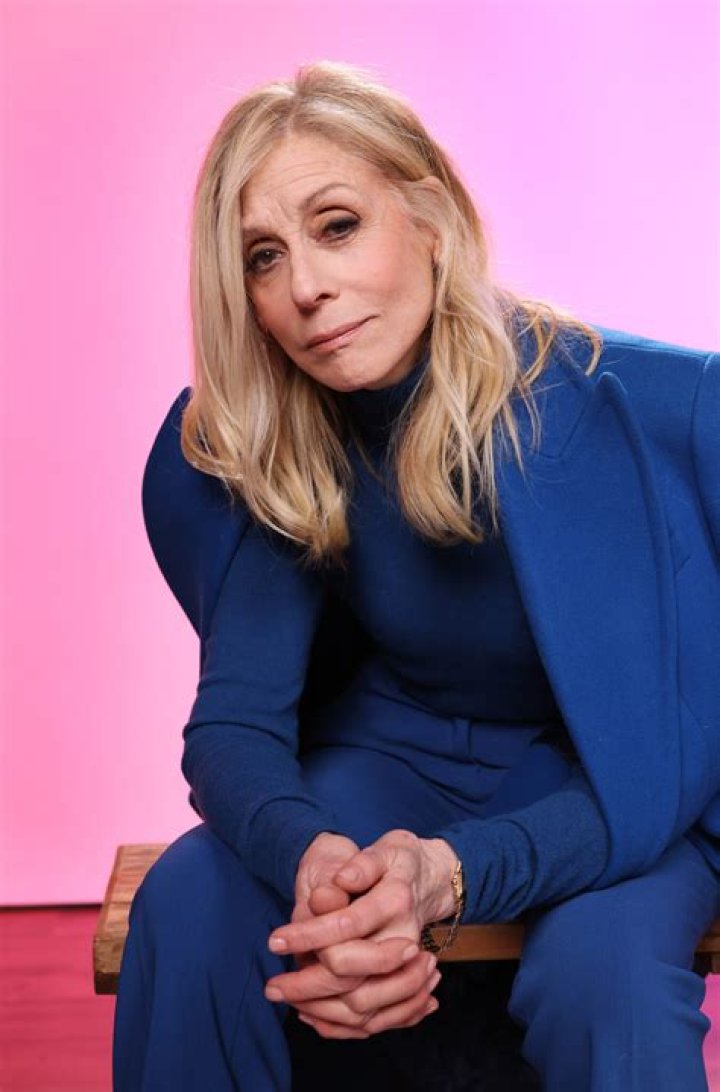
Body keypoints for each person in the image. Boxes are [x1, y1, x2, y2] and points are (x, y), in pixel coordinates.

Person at [113, 59, 720, 1091]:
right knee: (190, 899)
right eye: (263, 257)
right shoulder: (273, 431)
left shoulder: (655, 409)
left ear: (430, 217)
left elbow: (663, 766)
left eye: (337, 225)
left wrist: (452, 873)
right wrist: (314, 859)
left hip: (628, 782)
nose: (306, 287)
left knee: (604, 978)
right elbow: (232, 728)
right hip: (397, 757)